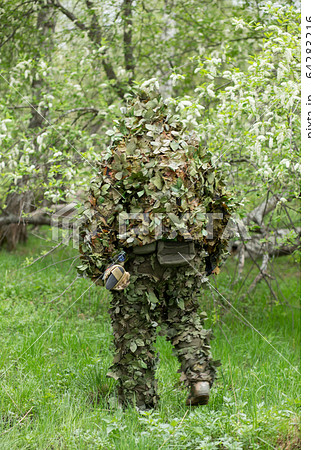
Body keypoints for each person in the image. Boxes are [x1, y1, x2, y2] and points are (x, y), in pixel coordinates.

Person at [77, 80, 233, 409]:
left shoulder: (121, 150)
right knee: (185, 317)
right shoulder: (192, 148)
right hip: (187, 252)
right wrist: (211, 254)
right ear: (166, 118)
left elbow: (101, 213)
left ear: (135, 119)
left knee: (135, 329)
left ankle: (139, 408)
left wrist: (100, 264)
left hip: (139, 257)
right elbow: (218, 206)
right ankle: (200, 379)